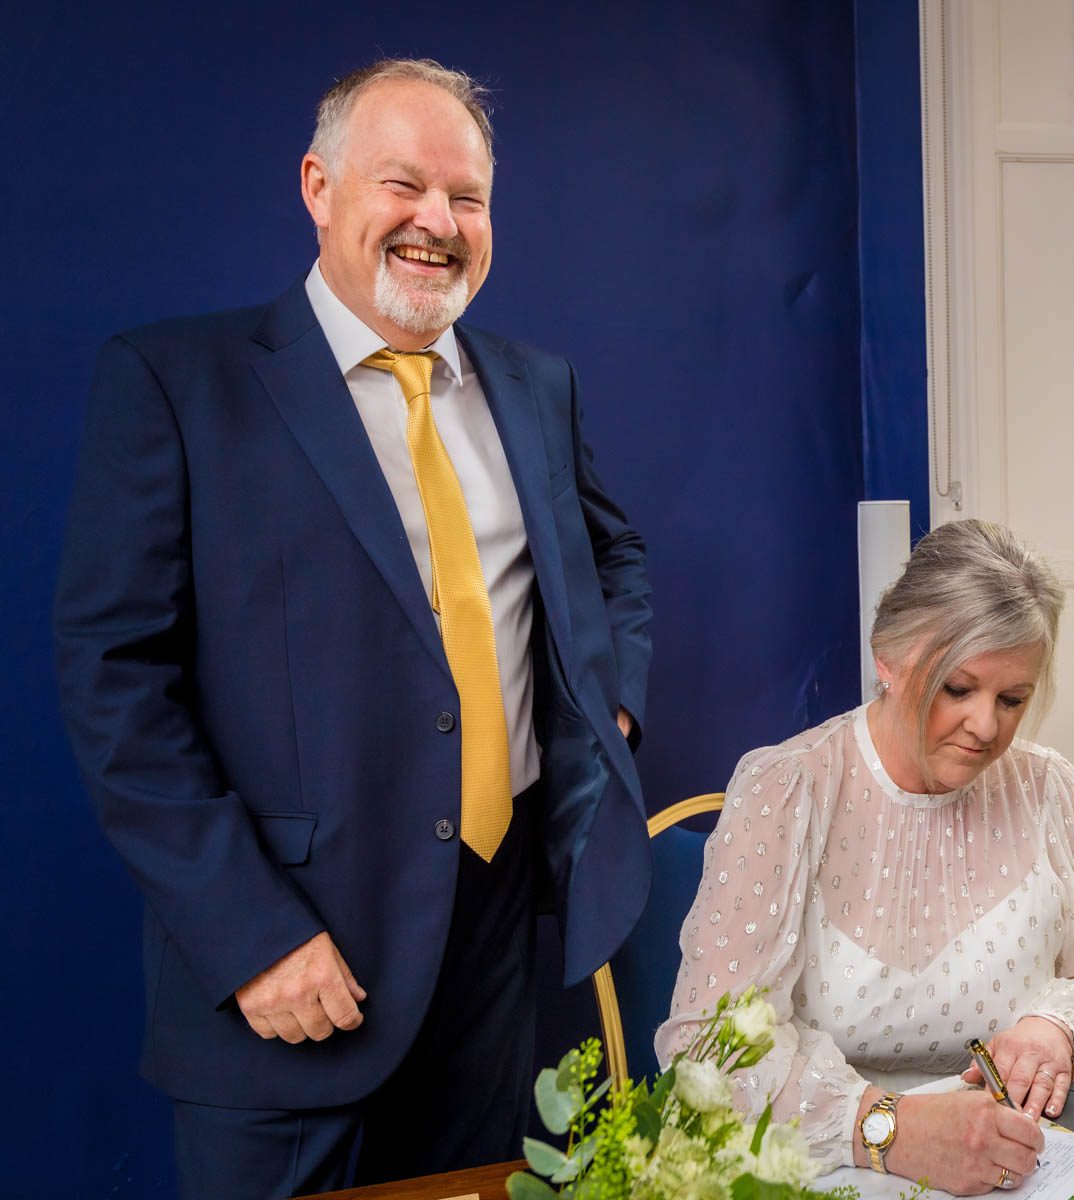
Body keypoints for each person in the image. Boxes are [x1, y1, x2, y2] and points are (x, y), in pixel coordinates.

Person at [53, 58, 653, 1199]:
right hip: (287, 964)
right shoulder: (178, 384)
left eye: (467, 197)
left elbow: (611, 554)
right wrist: (250, 938)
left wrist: (605, 699)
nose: (438, 222)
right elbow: (115, 683)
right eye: (403, 185)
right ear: (319, 187)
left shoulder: (535, 385)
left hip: (491, 943)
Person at [655, 519, 1074, 1195]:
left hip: (1018, 1169)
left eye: (1012, 699)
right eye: (957, 688)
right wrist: (893, 1130)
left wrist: (1051, 1027)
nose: (986, 727)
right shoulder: (788, 790)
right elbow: (709, 1057)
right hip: (822, 1170)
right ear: (889, 657)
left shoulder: (1045, 787)